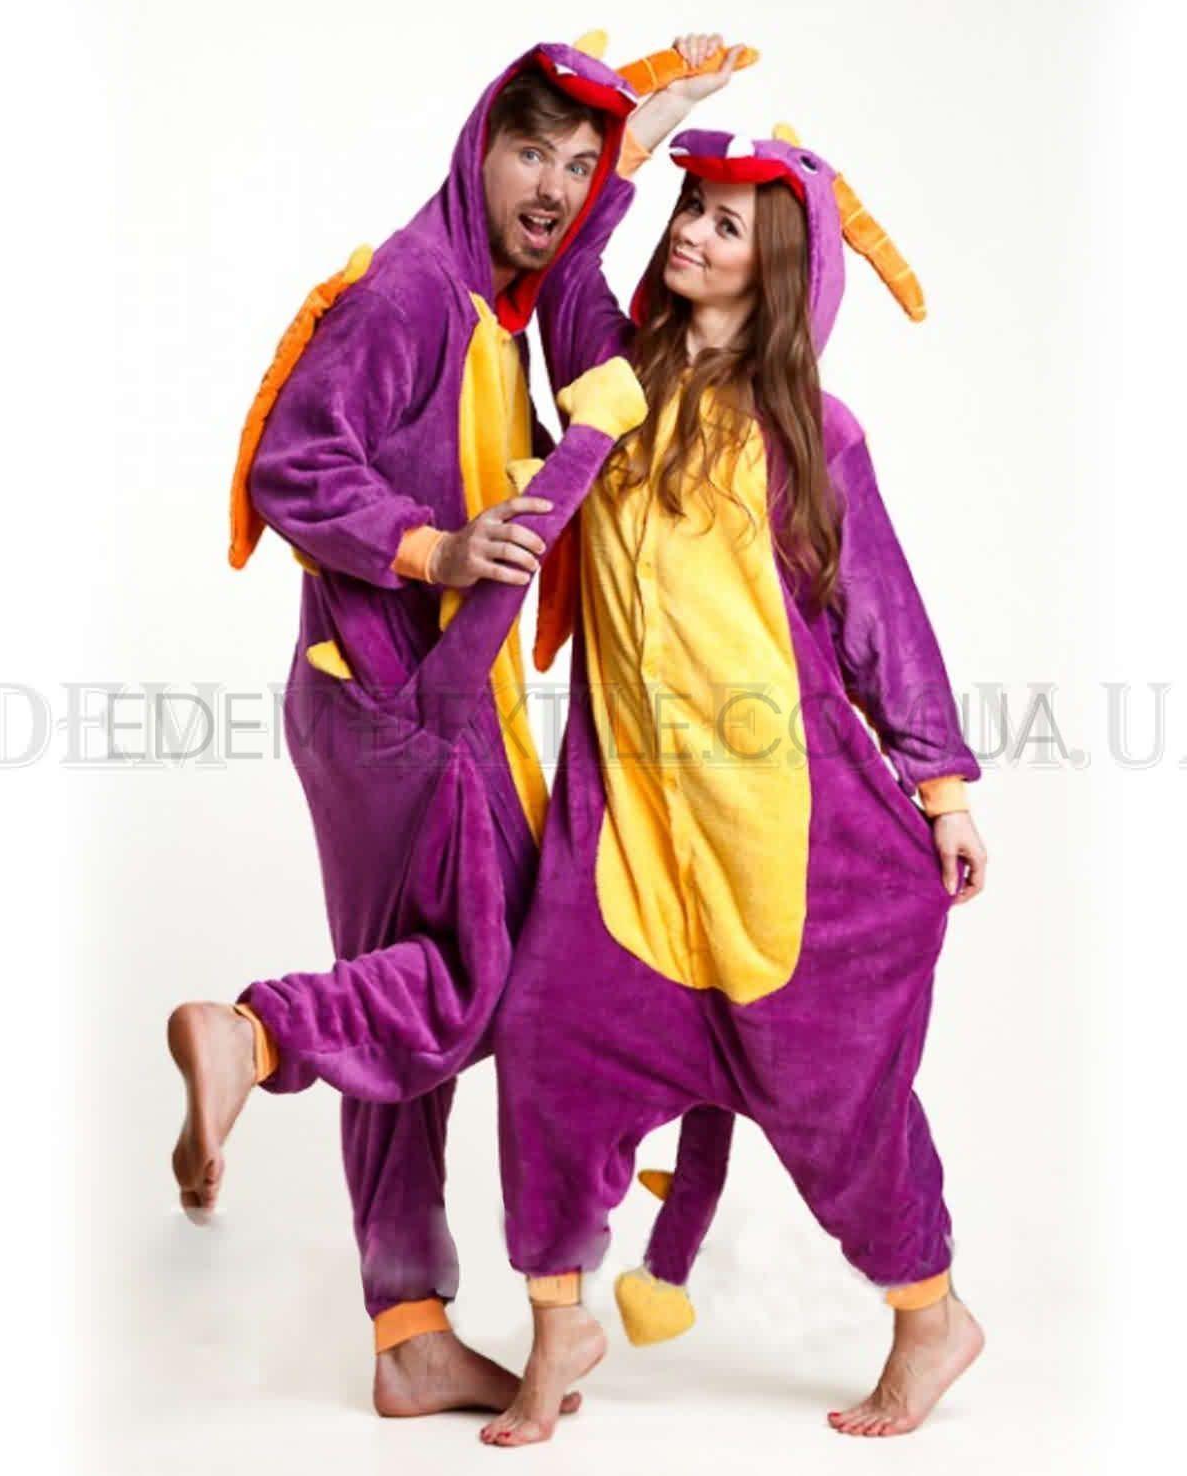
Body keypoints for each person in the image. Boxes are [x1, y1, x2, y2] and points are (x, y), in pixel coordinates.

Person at [167, 33, 746, 1418]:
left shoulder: (493, 295)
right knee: (499, 974)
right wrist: (434, 547)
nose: (553, 186)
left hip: (387, 696)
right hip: (401, 698)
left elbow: (572, 264)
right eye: (531, 152)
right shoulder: (414, 292)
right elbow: (294, 462)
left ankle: (409, 1330)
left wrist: (643, 134)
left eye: (574, 163)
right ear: (477, 149)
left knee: (406, 996)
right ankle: (255, 1036)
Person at [478, 122, 988, 1446]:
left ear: (779, 266)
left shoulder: (811, 435)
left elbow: (881, 614)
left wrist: (941, 789)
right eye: (689, 208)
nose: (691, 233)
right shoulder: (612, 381)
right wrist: (636, 136)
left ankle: (930, 1318)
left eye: (724, 222)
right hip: (632, 832)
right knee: (549, 1047)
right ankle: (557, 1330)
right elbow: (568, 264)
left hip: (789, 837)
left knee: (834, 1101)